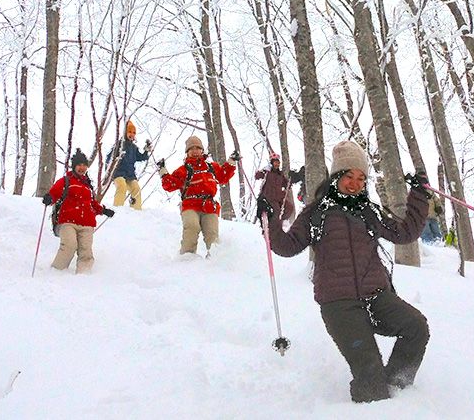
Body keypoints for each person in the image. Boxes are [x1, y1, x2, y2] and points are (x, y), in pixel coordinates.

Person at [261, 139, 430, 403]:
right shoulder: (317, 213)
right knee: (371, 382)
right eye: (349, 175)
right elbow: (285, 246)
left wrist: (419, 195)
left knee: (416, 328)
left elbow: (405, 232)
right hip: (339, 306)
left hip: (377, 297)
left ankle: (398, 390)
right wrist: (270, 216)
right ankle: (376, 394)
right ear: (336, 176)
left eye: (361, 178)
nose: (355, 183)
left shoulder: (368, 212)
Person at [159, 135, 237, 256]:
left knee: (212, 234)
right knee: (192, 226)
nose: (195, 151)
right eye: (191, 149)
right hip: (190, 205)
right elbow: (170, 185)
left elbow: (223, 176)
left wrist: (231, 161)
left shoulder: (211, 167)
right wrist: (163, 171)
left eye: (197, 148)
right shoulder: (183, 170)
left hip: (209, 206)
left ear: (202, 150)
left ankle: (215, 260)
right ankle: (187, 257)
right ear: (187, 152)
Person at [42, 149, 114, 273]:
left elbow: (92, 204)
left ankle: (83, 276)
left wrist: (104, 210)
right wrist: (50, 198)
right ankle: (55, 273)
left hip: (87, 223)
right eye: (79, 165)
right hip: (68, 221)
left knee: (85, 251)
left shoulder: (88, 186)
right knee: (69, 246)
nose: (82, 168)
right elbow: (55, 193)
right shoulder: (66, 181)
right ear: (74, 166)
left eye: (84, 165)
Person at [107, 121, 151, 210]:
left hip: (130, 175)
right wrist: (109, 172)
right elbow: (109, 158)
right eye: (130, 132)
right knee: (122, 186)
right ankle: (117, 209)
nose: (132, 134)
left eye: (134, 133)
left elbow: (141, 157)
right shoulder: (119, 144)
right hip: (118, 173)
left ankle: (136, 211)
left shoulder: (134, 147)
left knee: (136, 188)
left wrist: (146, 151)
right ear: (125, 133)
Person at [255, 153, 296, 222]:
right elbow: (257, 176)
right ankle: (274, 224)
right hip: (269, 197)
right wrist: (264, 170)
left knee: (289, 208)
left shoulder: (280, 174)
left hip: (279, 197)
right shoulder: (267, 172)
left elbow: (286, 184)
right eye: (275, 163)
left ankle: (279, 222)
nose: (277, 164)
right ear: (272, 163)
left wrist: (292, 179)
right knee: (277, 211)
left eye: (278, 163)